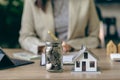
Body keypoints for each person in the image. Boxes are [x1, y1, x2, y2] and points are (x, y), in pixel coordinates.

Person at [19, 0, 100, 55]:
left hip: (76, 58)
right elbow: (25, 37)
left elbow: (94, 38)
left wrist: (71, 45)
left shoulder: (86, 1)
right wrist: (43, 47)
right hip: (44, 61)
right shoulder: (31, 1)